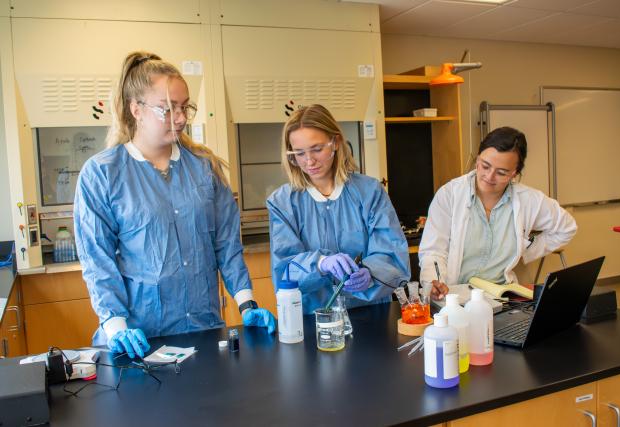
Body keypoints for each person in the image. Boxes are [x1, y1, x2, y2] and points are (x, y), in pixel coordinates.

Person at [74, 52, 275, 359]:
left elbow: (227, 245)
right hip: (141, 340)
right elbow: (98, 261)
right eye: (167, 109)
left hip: (202, 332)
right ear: (136, 109)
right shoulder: (103, 173)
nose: (180, 118)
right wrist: (115, 326)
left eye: (184, 107)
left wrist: (247, 303)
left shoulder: (204, 168)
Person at [267, 104, 410, 314]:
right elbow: (284, 272)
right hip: (314, 320)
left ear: (335, 142)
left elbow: (393, 256)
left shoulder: (369, 192)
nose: (309, 161)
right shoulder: (283, 203)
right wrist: (320, 264)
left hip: (371, 316)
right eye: (299, 153)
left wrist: (371, 273)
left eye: (317, 149)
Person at [418, 126, 577, 297]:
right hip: (455, 298)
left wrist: (528, 249)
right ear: (478, 159)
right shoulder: (449, 195)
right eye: (485, 166)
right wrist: (435, 282)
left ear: (514, 174)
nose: (489, 176)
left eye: (501, 172)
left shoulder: (528, 200)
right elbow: (433, 251)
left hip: (502, 298)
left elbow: (566, 227)